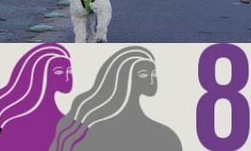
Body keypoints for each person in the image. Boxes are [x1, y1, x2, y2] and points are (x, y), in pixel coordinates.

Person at [50, 46, 181, 151]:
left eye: (154, 73)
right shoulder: (95, 133)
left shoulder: (165, 135)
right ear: (122, 79)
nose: (152, 80)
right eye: (143, 74)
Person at [0, 44, 72, 151]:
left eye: (69, 71)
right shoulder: (12, 127)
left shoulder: (72, 126)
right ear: (39, 75)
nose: (67, 78)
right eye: (58, 72)